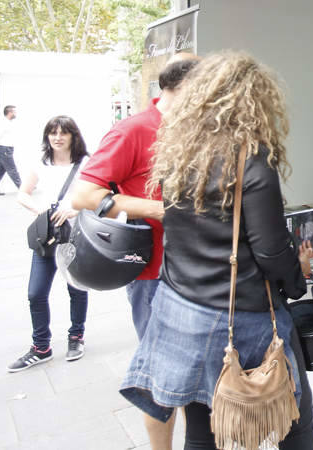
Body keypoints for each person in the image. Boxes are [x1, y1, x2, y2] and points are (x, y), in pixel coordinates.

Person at [119, 52, 313, 450]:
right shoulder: (252, 161)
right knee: (295, 420)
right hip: (240, 318)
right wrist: (298, 277)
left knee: (203, 426)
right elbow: (269, 251)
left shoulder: (180, 153)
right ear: (255, 101)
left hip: (180, 308)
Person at [72, 52, 200, 450]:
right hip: (153, 276)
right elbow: (85, 194)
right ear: (186, 88)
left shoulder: (195, 131)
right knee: (162, 379)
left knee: (195, 377)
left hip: (196, 271)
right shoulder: (134, 130)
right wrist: (161, 210)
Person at [7, 116, 90, 372]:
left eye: (63, 133)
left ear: (73, 136)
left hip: (74, 237)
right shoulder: (41, 164)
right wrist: (40, 209)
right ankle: (41, 346)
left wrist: (75, 209)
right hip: (47, 237)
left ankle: (76, 337)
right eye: (52, 132)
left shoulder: (85, 164)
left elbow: (102, 196)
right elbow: (23, 194)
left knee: (76, 288)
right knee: (36, 293)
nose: (57, 137)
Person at [0, 105, 22, 195]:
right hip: (4, 148)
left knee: (0, 170)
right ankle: (23, 188)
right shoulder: (2, 123)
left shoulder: (8, 123)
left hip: (6, 148)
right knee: (12, 169)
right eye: (14, 112)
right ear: (9, 113)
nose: (15, 114)